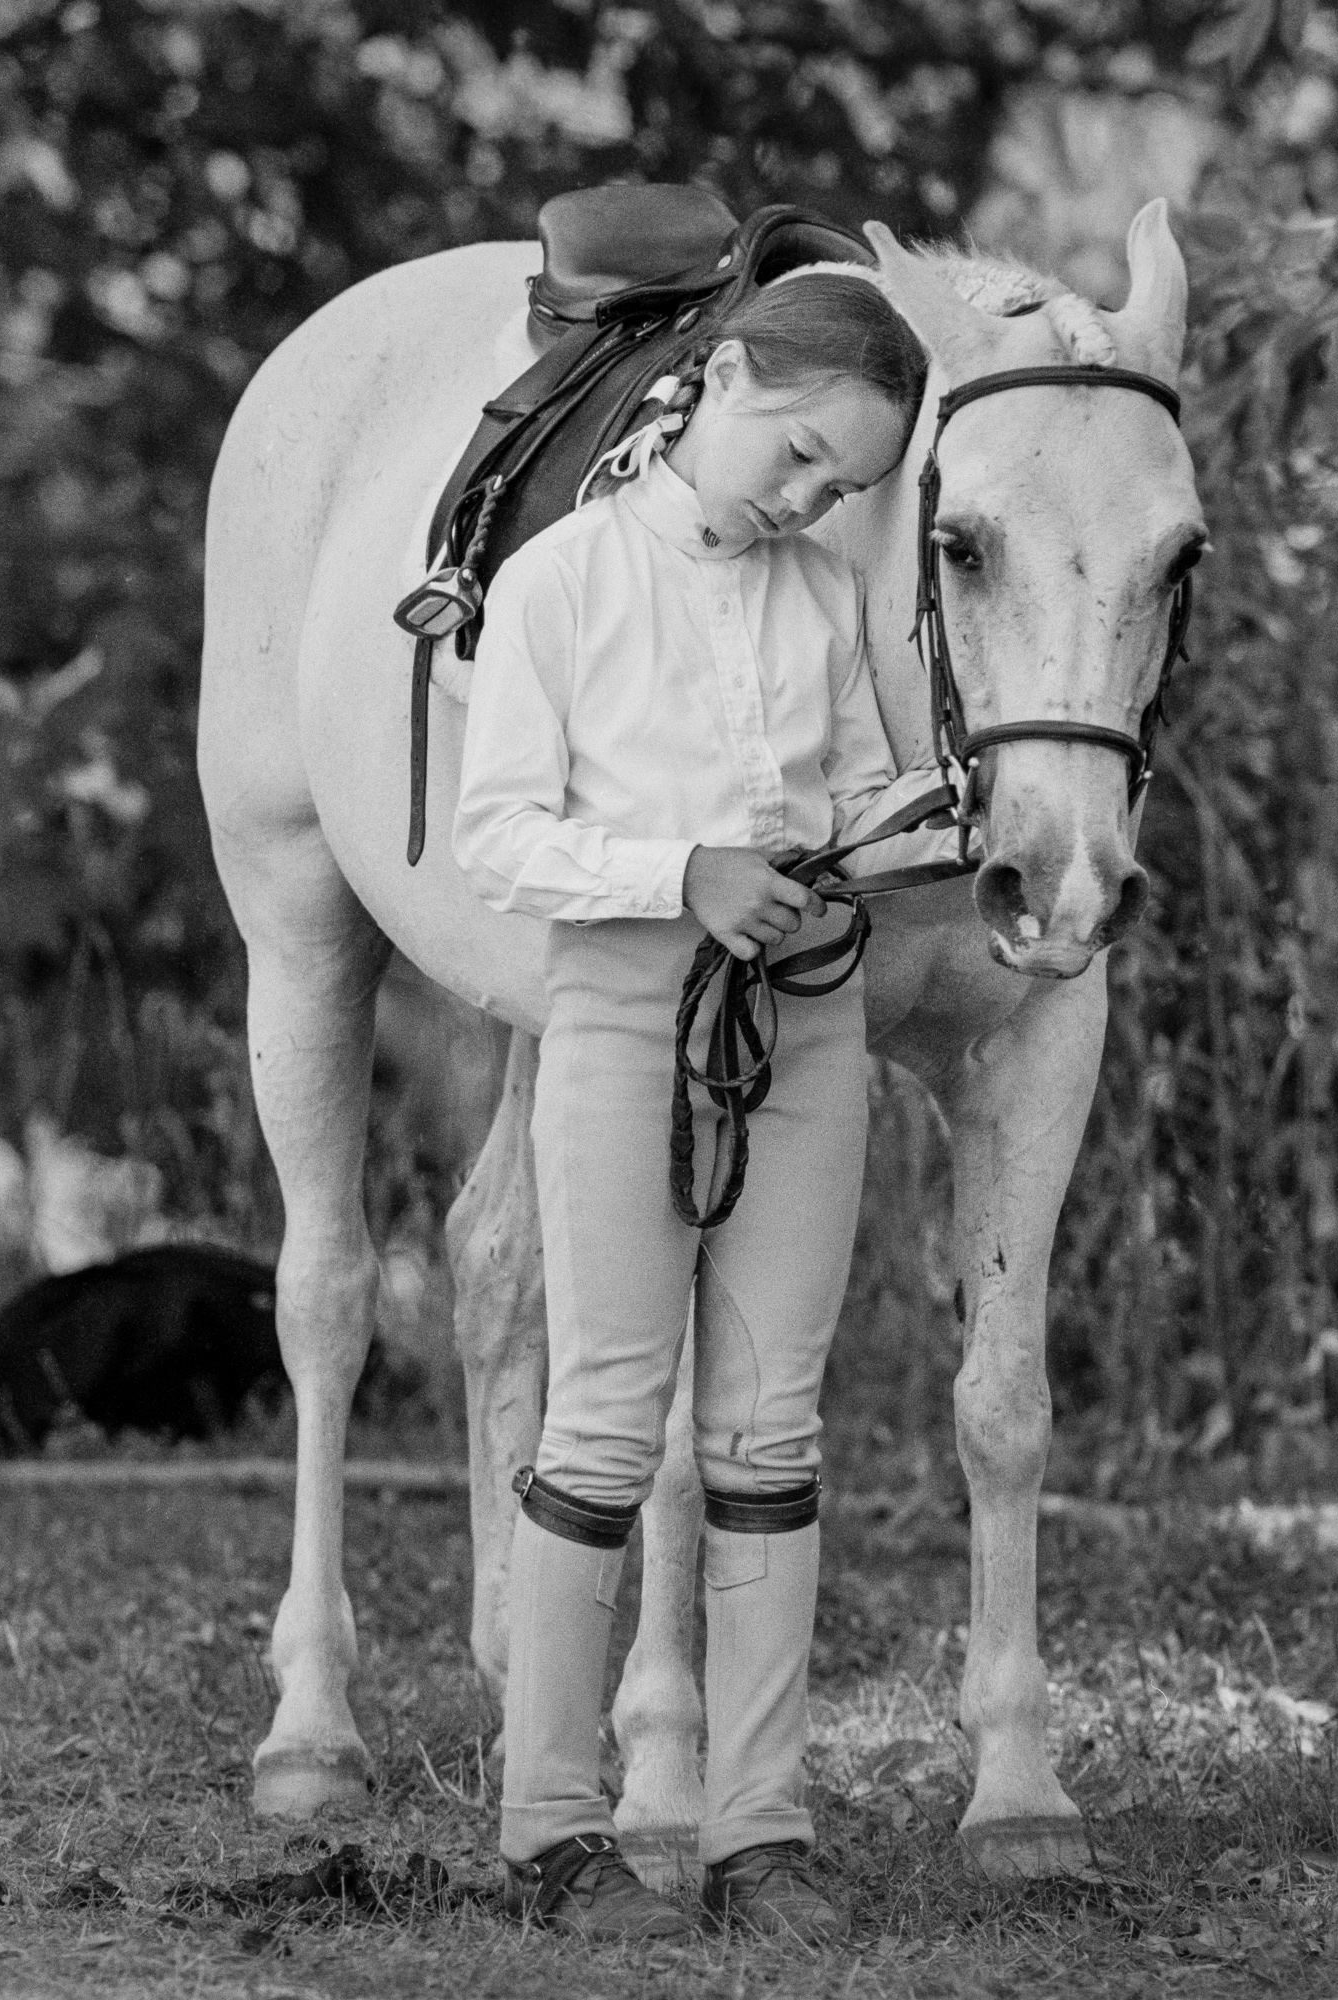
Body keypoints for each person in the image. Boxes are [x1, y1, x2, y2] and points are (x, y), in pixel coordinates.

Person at [454, 270, 949, 1944]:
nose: (811, 502)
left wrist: (906, 825)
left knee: (770, 1430)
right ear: (725, 375)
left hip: (801, 1030)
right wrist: (683, 868)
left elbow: (861, 780)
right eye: (802, 457)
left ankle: (760, 1827)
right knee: (602, 1418)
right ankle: (550, 1830)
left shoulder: (819, 596)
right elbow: (498, 838)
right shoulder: (560, 583)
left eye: (843, 489)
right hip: (618, 1017)